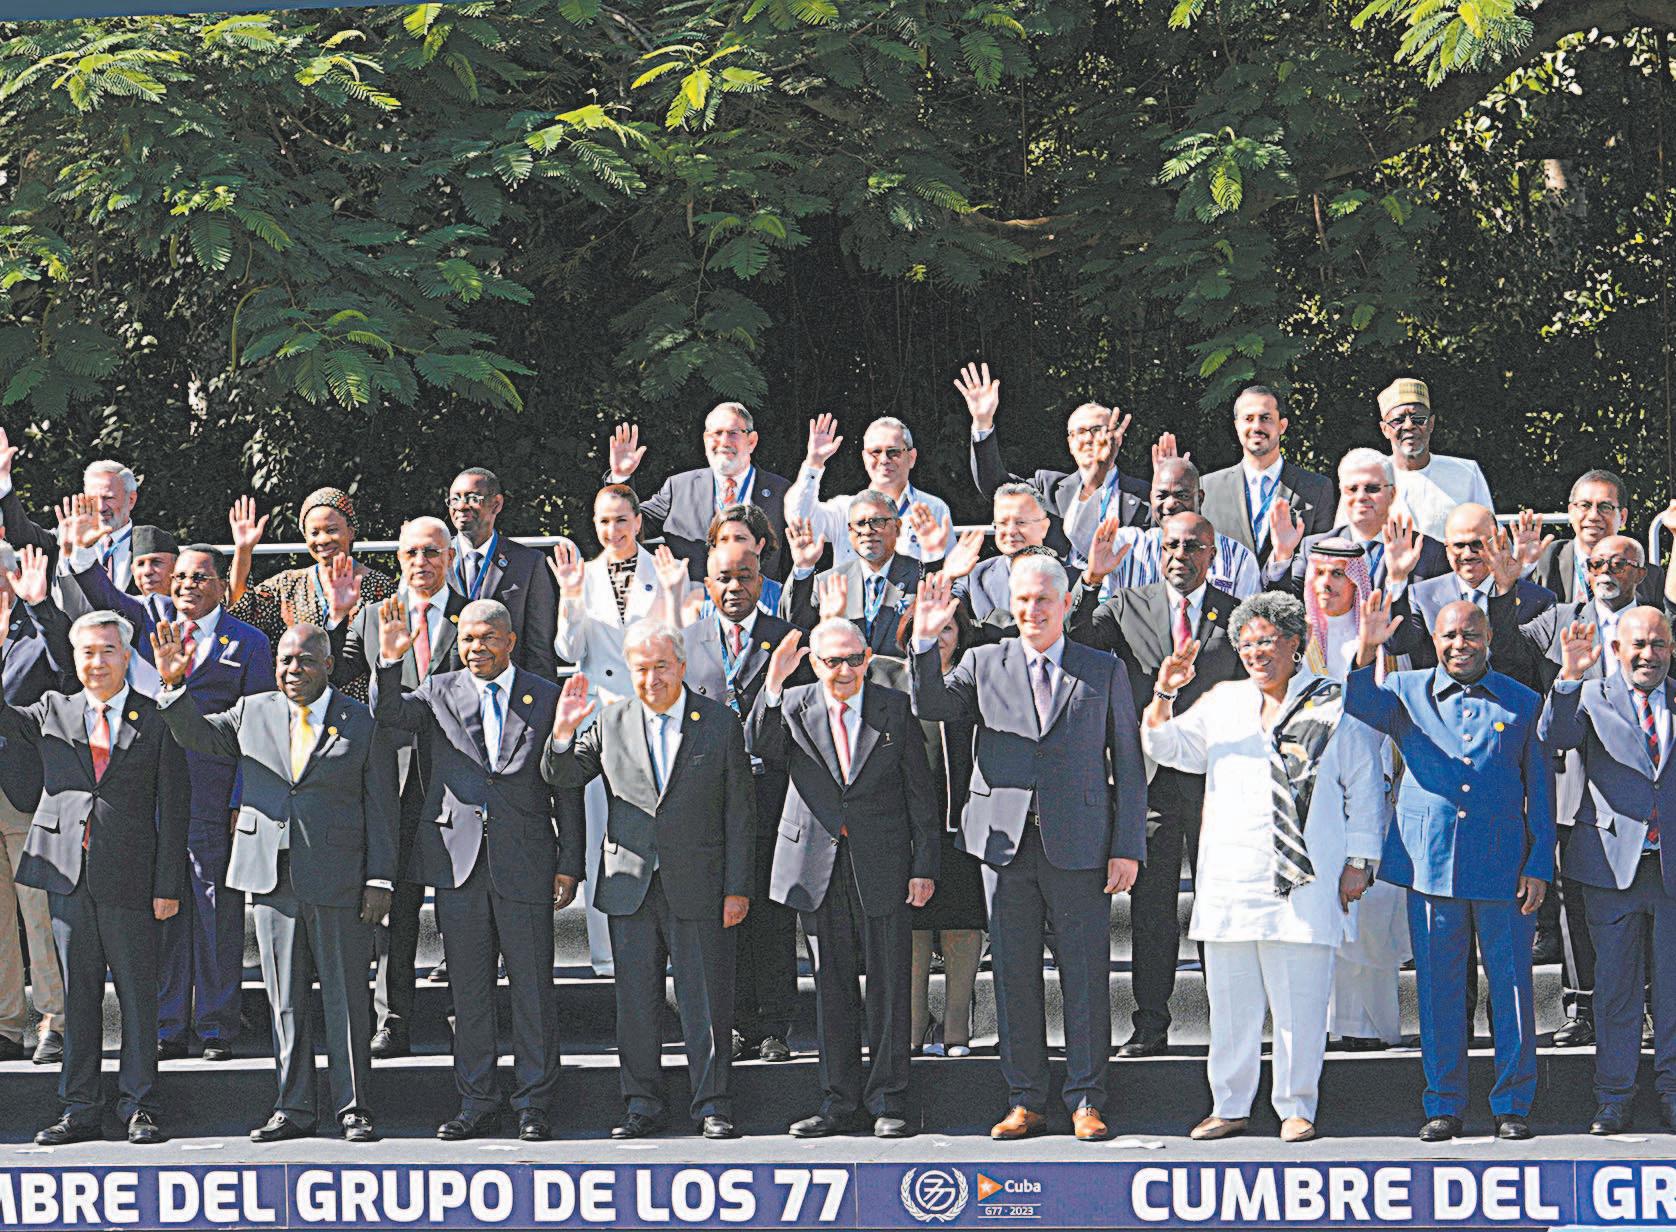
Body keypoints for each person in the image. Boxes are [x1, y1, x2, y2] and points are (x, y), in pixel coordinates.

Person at [911, 559, 1147, 1142]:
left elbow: (1128, 761)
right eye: (1021, 599)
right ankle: (1024, 1100)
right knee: (1014, 977)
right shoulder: (981, 661)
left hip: (1081, 843)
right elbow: (931, 706)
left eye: (1043, 599)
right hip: (1004, 845)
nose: (1032, 610)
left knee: (1085, 976)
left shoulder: (1103, 668)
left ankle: (1086, 1099)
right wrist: (925, 642)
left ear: (1065, 603)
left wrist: (1127, 845)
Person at [1142, 591, 1385, 1143]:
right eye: (1247, 644)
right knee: (1231, 1009)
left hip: (1305, 880)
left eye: (1268, 641)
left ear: (1295, 643)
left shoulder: (1333, 703)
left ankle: (1296, 1106)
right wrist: (1166, 692)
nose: (1256, 653)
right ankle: (1229, 1105)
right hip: (1232, 879)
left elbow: (1365, 786)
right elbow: (1166, 747)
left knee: (1301, 1006)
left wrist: (1360, 861)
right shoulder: (1223, 701)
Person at [152, 621, 399, 1143]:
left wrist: (380, 878)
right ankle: (293, 1107)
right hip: (270, 876)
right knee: (284, 1000)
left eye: (305, 660)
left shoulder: (360, 720)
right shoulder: (251, 710)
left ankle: (353, 1108)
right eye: (285, 660)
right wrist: (174, 687)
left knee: (346, 999)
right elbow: (197, 735)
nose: (292, 669)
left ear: (328, 665)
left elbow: (382, 806)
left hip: (339, 877)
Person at [372, 597, 580, 1143]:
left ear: (510, 641)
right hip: (456, 862)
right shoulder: (437, 691)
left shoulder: (545, 695)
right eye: (466, 638)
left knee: (533, 989)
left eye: (487, 637)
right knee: (468, 993)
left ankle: (534, 1102)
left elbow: (566, 786)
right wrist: (389, 663)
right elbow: (389, 716)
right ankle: (477, 1100)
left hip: (527, 859)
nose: (475, 647)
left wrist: (571, 862)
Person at [62, 528, 275, 1063]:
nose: (186, 585)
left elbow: (259, 725)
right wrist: (82, 550)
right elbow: (103, 594)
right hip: (151, 797)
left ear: (223, 586)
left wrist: (242, 798)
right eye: (179, 576)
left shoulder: (248, 641)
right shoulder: (149, 624)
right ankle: (169, 1022)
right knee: (163, 909)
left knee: (216, 911)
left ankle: (218, 1025)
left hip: (211, 797)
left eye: (199, 577)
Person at [1348, 595, 1553, 1141]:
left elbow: (1540, 789)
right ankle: (1444, 1103)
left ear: (1489, 639)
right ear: (1434, 641)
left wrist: (1539, 861)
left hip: (1504, 866)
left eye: (1471, 635)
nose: (1460, 645)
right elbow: (1359, 703)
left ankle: (1513, 1103)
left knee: (1512, 989)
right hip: (1431, 863)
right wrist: (1367, 650)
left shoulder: (1522, 700)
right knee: (1439, 991)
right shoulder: (1405, 689)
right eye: (1449, 636)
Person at [544, 621, 755, 1141]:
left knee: (706, 1002)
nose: (652, 678)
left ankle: (713, 1104)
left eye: (662, 666)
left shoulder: (719, 723)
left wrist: (737, 888)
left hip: (701, 883)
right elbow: (563, 776)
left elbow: (740, 813)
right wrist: (563, 734)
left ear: (681, 666)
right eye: (641, 668)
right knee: (635, 1006)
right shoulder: (610, 720)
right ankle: (641, 1105)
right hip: (629, 885)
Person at [0, 610, 189, 1145]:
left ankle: (140, 1104)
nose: (97, 662)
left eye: (108, 650)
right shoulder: (52, 708)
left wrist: (168, 886)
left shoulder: (156, 718)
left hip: (132, 878)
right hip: (67, 876)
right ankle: (79, 1107)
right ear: (75, 658)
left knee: (137, 997)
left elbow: (175, 807)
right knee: (78, 997)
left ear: (127, 657)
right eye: (87, 652)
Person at [1067, 510, 1247, 1056]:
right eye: (1171, 545)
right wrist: (1091, 580)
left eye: (1193, 546)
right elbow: (1074, 638)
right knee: (1151, 910)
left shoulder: (1235, 614)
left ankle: (1231, 1028)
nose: (1180, 556)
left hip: (1216, 784)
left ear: (1211, 554)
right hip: (1148, 781)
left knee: (1223, 906)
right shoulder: (1126, 606)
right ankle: (1150, 1025)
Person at [751, 618, 938, 1138]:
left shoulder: (893, 706)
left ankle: (889, 1100)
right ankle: (838, 1102)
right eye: (832, 660)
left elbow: (920, 791)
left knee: (889, 986)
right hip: (815, 864)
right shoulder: (791, 704)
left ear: (868, 659)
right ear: (814, 662)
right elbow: (760, 746)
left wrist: (924, 865)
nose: (845, 670)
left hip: (884, 862)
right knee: (830, 990)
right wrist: (773, 684)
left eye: (855, 659)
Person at [1489, 534, 1676, 1046]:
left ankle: (1654, 1020)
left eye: (1620, 562)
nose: (1606, 570)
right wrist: (1505, 592)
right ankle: (1582, 1005)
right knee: (1581, 909)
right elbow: (1509, 656)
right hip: (1575, 786)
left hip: (1648, 802)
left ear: (1642, 573)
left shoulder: (1659, 626)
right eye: (1596, 562)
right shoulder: (1559, 618)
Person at [326, 516, 466, 1056]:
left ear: (450, 556)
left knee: (462, 909)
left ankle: (466, 1015)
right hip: (392, 778)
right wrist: (338, 618)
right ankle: (393, 1019)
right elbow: (335, 675)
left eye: (431, 551)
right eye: (411, 553)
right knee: (395, 907)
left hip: (457, 781)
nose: (421, 562)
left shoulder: (471, 613)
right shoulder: (371, 615)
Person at [1540, 607, 1676, 1135]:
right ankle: (1614, 1098)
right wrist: (1569, 676)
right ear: (1617, 649)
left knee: (1673, 991)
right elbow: (1555, 736)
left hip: (1670, 870)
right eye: (1638, 644)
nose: (1648, 654)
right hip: (1611, 868)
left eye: (1659, 644)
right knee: (1616, 992)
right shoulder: (1591, 695)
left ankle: (1671, 1091)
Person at [552, 484, 686, 976]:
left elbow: (678, 643)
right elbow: (568, 650)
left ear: (638, 521)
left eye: (622, 520)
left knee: (660, 824)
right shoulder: (582, 575)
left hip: (655, 711)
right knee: (600, 833)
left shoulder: (665, 569)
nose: (613, 530)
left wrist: (673, 593)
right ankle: (607, 952)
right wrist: (570, 598)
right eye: (604, 521)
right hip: (602, 718)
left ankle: (668, 947)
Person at [682, 542, 802, 1064]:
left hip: (771, 792)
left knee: (771, 914)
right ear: (708, 583)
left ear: (761, 580)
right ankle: (729, 1021)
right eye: (724, 578)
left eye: (746, 576)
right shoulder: (686, 642)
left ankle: (773, 1025)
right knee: (721, 913)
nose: (735, 587)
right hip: (710, 799)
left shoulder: (788, 639)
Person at [1299, 541, 1410, 1051]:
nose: (1326, 584)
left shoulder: (1385, 647)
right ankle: (1322, 1027)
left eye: (1338, 575)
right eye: (1319, 573)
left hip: (1376, 793)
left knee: (1369, 910)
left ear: (1358, 582)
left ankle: (1367, 1029)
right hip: (1315, 798)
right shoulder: (1300, 645)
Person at [892, 599, 988, 1059]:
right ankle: (912, 1029)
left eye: (949, 628)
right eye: (931, 628)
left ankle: (955, 1030)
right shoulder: (889, 681)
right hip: (907, 827)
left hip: (964, 824)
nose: (941, 636)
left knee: (962, 924)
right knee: (913, 929)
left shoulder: (974, 680)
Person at [958, 362, 1148, 565]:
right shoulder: (1046, 487)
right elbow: (995, 486)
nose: (1088, 439)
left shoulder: (1146, 496)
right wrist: (983, 422)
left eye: (1097, 430)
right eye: (1079, 432)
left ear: (1118, 438)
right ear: (1070, 443)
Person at [0, 545, 71, 1065]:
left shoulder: (36, 626)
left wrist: (40, 605)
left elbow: (69, 670)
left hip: (25, 792)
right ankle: (6, 1023)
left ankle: (56, 1019)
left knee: (39, 915)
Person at [226, 488, 398, 701]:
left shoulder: (381, 588)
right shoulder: (287, 584)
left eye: (332, 530)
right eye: (314, 533)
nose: (323, 540)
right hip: (299, 705)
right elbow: (242, 611)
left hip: (359, 708)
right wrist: (243, 550)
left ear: (351, 531)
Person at [606, 404, 792, 579]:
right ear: (705, 440)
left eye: (733, 433)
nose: (724, 441)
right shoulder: (678, 487)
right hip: (690, 598)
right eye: (716, 433)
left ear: (751, 441)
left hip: (759, 600)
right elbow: (631, 524)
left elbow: (793, 561)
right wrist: (621, 478)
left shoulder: (782, 492)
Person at [1384, 503, 1554, 670]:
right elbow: (1397, 645)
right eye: (1459, 545)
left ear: (1498, 542)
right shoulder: (1422, 595)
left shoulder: (1538, 599)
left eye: (1478, 544)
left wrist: (1506, 588)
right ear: (1447, 548)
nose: (1467, 554)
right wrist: (1398, 579)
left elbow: (1523, 659)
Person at [1262, 448, 1449, 596]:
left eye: (1372, 488)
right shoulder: (1314, 547)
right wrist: (1282, 555)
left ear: (1392, 494)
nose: (1361, 497)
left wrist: (1398, 581)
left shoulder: (1427, 552)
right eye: (1352, 489)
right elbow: (1288, 607)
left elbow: (1428, 625)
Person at [787, 414, 954, 564]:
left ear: (911, 457)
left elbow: (953, 572)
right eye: (875, 452)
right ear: (864, 458)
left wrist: (934, 555)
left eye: (893, 452)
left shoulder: (933, 508)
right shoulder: (844, 509)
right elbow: (799, 520)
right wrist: (813, 463)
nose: (884, 459)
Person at [1198, 386, 1336, 564]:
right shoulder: (1208, 487)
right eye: (1248, 419)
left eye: (1265, 418)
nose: (1257, 427)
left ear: (1282, 426)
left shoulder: (1316, 489)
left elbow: (1322, 562)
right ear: (1236, 426)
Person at [1088, 458, 1262, 599]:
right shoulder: (1124, 546)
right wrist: (1093, 577)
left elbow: (1250, 623)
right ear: (1151, 499)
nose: (1170, 504)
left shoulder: (1238, 558)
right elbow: (1095, 618)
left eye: (1182, 495)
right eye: (1162, 496)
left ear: (1200, 499)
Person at [780, 490, 925, 656]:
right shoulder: (828, 583)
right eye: (860, 524)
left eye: (878, 521)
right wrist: (803, 567)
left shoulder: (922, 577)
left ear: (897, 527)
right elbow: (794, 630)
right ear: (850, 531)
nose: (868, 531)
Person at [446, 467, 558, 678]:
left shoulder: (528, 563)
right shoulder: (435, 559)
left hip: (505, 686)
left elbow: (539, 646)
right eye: (455, 499)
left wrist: (540, 694)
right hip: (446, 689)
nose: (461, 506)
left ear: (496, 504)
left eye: (472, 498)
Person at [0, 433, 141, 592]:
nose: (101, 507)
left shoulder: (151, 545)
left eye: (108, 498)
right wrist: (3, 483)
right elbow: (21, 534)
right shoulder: (66, 538)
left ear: (131, 500)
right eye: (92, 499)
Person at [1376, 377, 1495, 541]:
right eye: (1398, 420)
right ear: (1384, 429)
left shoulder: (1466, 472)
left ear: (1431, 424)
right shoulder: (1368, 477)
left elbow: (1491, 535)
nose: (1409, 426)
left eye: (1418, 419)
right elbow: (1346, 542)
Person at [1532, 469, 1668, 605]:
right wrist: (1525, 567)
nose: (1593, 516)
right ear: (1571, 512)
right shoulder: (1544, 559)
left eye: (1605, 507)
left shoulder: (1650, 578)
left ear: (1622, 517)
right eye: (1584, 505)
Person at [937, 483, 1054, 638]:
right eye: (1002, 523)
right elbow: (940, 623)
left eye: (1020, 522)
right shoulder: (975, 576)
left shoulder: (1069, 576)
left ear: (1044, 527)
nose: (1010, 531)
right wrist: (948, 576)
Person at [705, 503, 785, 614]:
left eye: (740, 538)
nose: (731, 546)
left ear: (760, 545)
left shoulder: (780, 596)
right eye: (724, 540)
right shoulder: (704, 600)